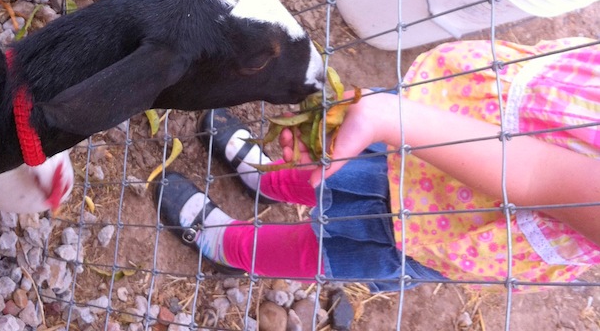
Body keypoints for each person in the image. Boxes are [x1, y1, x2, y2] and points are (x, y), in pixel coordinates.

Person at [153, 38, 600, 291]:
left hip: (463, 218)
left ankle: (230, 247)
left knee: (350, 241)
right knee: (337, 158)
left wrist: (389, 116)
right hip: (477, 114)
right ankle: (267, 181)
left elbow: (538, 174)